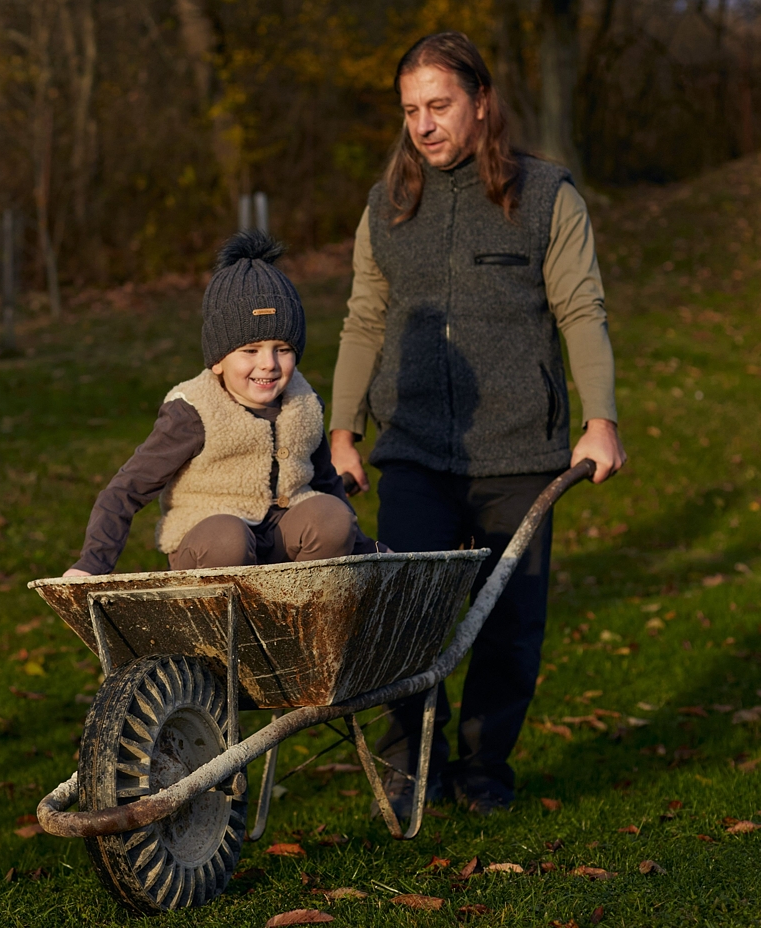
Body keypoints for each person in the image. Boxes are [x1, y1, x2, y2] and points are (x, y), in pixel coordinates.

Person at [328, 32, 626, 816]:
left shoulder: (547, 196)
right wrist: (342, 432)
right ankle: (410, 766)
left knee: (508, 626)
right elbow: (364, 319)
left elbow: (582, 308)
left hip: (520, 450)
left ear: (482, 102)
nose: (423, 125)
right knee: (404, 617)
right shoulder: (387, 205)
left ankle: (486, 768)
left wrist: (600, 419)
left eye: (439, 105)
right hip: (414, 449)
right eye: (410, 111)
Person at [64, 230, 378, 580]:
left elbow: (326, 482)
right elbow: (125, 490)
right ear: (217, 360)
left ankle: (301, 603)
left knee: (332, 516)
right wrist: (92, 564)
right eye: (250, 350)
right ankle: (227, 610)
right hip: (209, 545)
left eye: (283, 349)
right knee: (228, 539)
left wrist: (369, 549)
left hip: (281, 544)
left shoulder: (303, 405)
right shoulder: (194, 411)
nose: (268, 364)